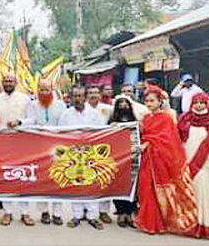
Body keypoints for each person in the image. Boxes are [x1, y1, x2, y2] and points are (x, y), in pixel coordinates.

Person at [134, 86, 198, 235]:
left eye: (152, 101)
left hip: (160, 158)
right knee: (146, 188)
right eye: (147, 101)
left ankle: (163, 222)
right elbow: (145, 134)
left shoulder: (166, 118)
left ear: (159, 102)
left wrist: (149, 142)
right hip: (147, 158)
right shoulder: (146, 118)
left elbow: (167, 138)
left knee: (160, 190)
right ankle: (149, 222)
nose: (149, 104)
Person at [178, 92, 209, 239]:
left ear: (208, 104)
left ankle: (206, 227)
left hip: (207, 163)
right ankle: (191, 226)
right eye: (195, 103)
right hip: (187, 160)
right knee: (191, 192)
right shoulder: (184, 120)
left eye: (202, 103)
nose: (198, 106)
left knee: (205, 193)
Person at [17, 78, 66, 226]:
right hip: (39, 147)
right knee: (43, 180)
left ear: (52, 89)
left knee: (58, 179)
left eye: (47, 89)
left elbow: (64, 124)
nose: (44, 92)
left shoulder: (60, 105)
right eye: (42, 89)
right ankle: (44, 212)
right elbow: (30, 121)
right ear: (38, 90)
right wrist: (20, 123)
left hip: (57, 148)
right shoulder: (32, 105)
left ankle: (57, 213)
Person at [58, 85, 104, 230]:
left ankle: (92, 217)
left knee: (91, 185)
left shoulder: (94, 114)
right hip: (73, 156)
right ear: (71, 98)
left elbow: (101, 133)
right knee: (76, 185)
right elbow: (60, 134)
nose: (78, 99)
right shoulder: (65, 115)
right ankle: (77, 216)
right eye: (75, 96)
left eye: (80, 96)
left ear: (85, 97)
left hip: (90, 155)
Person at [0, 74, 33, 226]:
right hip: (2, 143)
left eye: (10, 81)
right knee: (6, 177)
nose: (8, 83)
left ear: (16, 82)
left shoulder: (25, 99)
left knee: (24, 177)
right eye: (5, 81)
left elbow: (32, 119)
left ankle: (25, 213)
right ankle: (7, 212)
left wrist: (20, 122)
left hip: (22, 142)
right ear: (2, 83)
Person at [85, 85, 114, 224]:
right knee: (86, 179)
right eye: (90, 92)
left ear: (100, 94)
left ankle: (103, 211)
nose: (93, 95)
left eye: (96, 92)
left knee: (103, 178)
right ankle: (85, 210)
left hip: (104, 148)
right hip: (85, 149)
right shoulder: (81, 108)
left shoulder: (108, 109)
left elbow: (115, 124)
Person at [109, 95, 138, 228]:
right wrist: (111, 128)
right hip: (118, 157)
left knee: (133, 185)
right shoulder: (112, 121)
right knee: (118, 184)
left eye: (126, 103)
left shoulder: (136, 121)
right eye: (120, 104)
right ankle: (121, 212)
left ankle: (130, 212)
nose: (123, 106)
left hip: (133, 158)